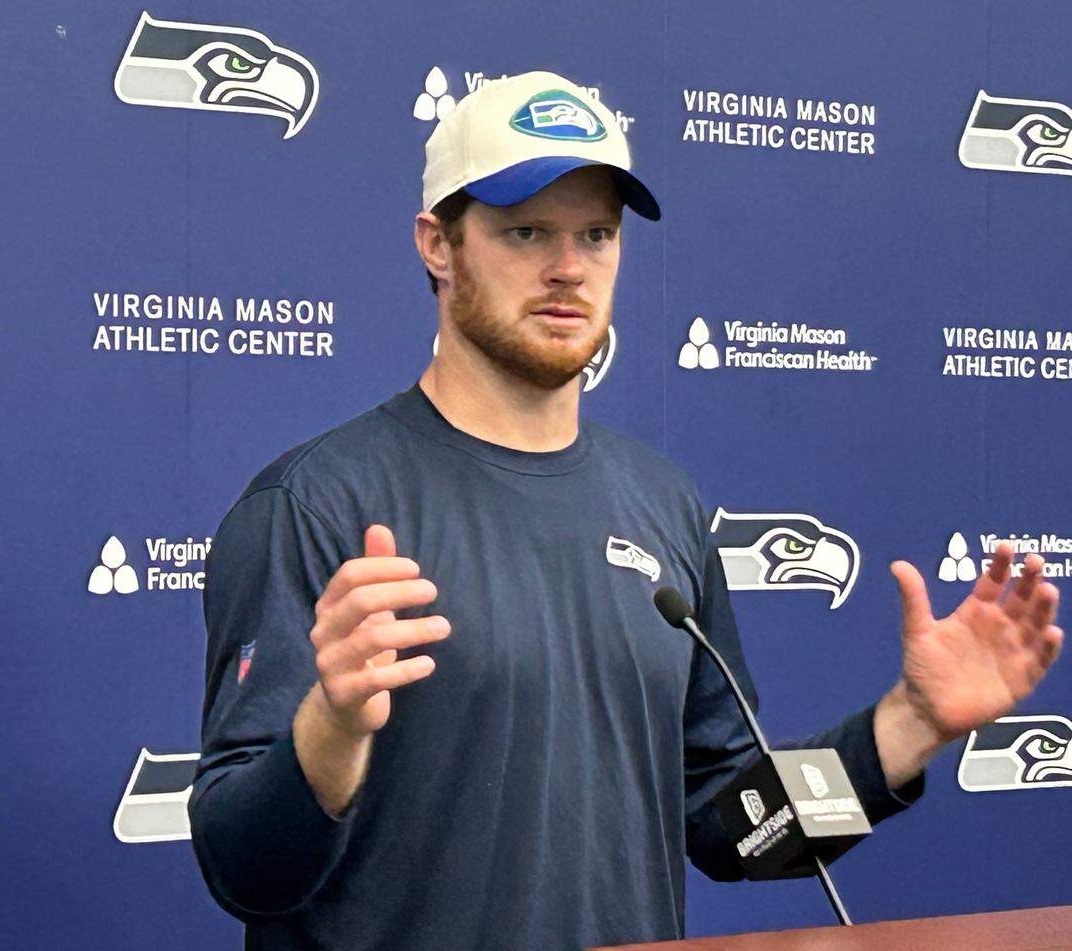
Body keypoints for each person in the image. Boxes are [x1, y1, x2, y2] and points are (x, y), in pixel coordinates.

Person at [188, 71, 1063, 951]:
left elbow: (730, 825)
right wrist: (330, 730)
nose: (568, 267)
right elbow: (241, 868)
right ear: (438, 244)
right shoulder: (316, 505)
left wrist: (911, 724)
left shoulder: (663, 504)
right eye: (525, 231)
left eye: (596, 234)